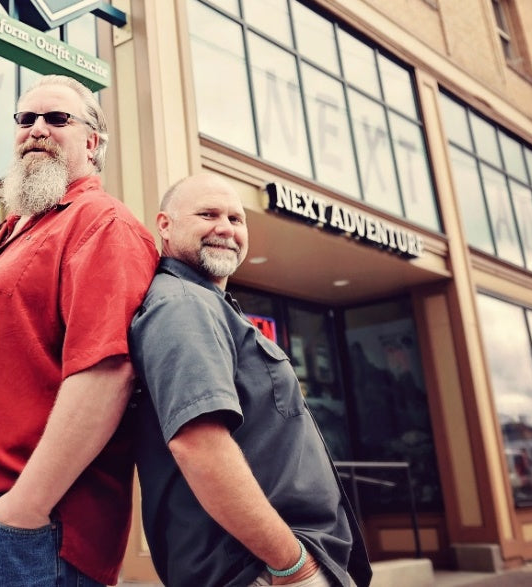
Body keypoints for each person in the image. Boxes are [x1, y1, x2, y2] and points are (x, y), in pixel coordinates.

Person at [0, 74, 159, 587]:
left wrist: (24, 507)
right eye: (26, 119)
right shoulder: (10, 233)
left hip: (23, 532)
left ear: (92, 142)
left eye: (57, 119)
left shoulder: (102, 222)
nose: (37, 129)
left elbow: (107, 372)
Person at [130, 173, 372, 587]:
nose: (226, 228)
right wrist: (293, 564)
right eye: (208, 214)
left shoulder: (210, 306)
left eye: (236, 219)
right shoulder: (183, 307)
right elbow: (198, 444)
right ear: (165, 225)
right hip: (257, 571)